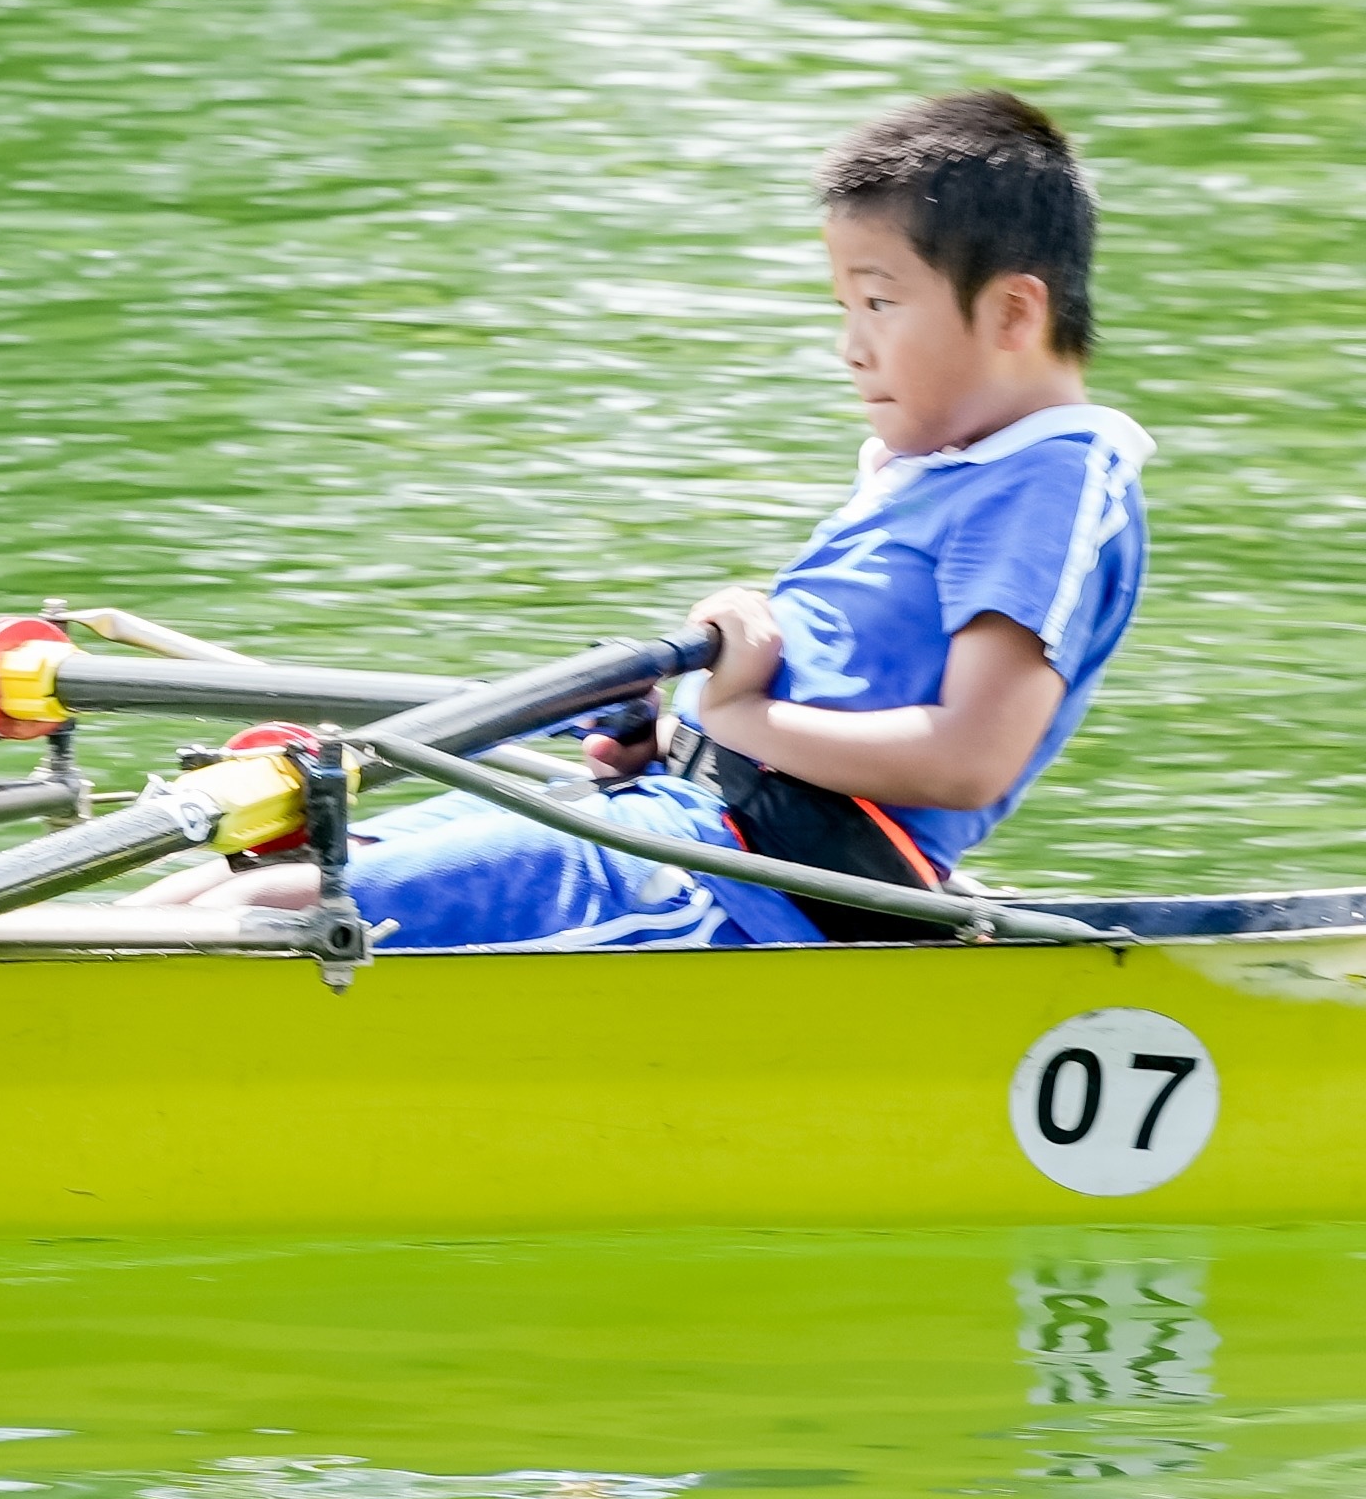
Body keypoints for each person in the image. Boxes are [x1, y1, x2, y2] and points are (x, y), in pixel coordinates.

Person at [157, 88, 1146, 948]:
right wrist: (686, 713)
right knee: (227, 884)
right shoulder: (941, 470)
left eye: (877, 303)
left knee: (291, 902)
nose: (848, 347)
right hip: (694, 816)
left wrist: (733, 715)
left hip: (764, 885)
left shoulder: (1046, 484)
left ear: (1014, 314)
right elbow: (836, 678)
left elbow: (965, 759)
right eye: (842, 305)